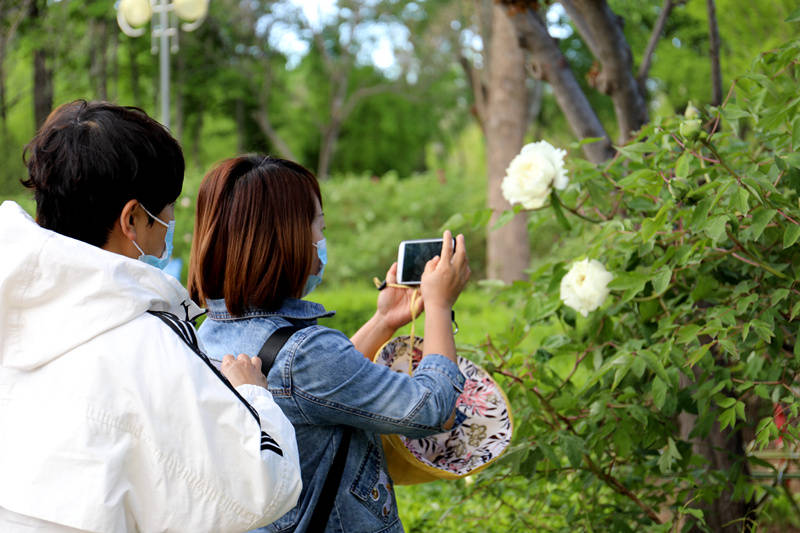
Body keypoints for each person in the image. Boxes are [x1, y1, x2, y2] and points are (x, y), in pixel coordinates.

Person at [0, 101, 302, 532]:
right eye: (168, 210)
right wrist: (254, 397)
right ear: (132, 218)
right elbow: (261, 489)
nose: (172, 224)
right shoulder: (141, 342)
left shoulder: (13, 300)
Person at [188, 154, 471, 532]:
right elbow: (433, 409)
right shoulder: (307, 353)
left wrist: (383, 321)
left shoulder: (204, 334)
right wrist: (438, 305)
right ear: (286, 238)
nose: (321, 242)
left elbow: (317, 389)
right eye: (319, 227)